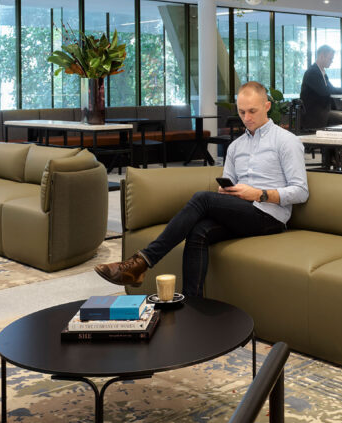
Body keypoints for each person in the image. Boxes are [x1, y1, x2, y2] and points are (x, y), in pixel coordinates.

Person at [95, 81, 309, 300]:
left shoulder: (286, 141)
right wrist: (226, 192)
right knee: (198, 232)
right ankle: (193, 306)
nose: (247, 118)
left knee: (202, 199)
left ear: (267, 106)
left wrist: (260, 194)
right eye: (242, 112)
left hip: (270, 217)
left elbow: (301, 191)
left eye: (252, 111)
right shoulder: (236, 146)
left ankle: (142, 262)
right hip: (242, 211)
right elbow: (231, 182)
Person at [299, 44, 342, 130]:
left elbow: (330, 89)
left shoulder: (322, 72)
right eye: (330, 59)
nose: (331, 61)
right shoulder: (312, 72)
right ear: (322, 56)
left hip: (322, 111)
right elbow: (325, 91)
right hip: (314, 115)